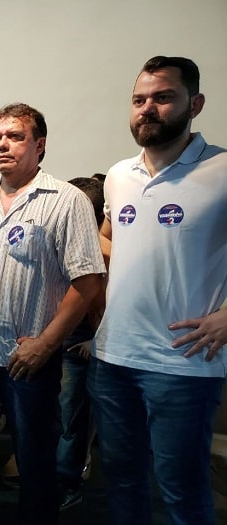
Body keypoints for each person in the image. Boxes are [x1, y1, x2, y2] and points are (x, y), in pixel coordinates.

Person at [0, 103, 105, 524]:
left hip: (27, 356)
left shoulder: (66, 200)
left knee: (34, 458)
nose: (3, 144)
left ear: (39, 145)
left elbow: (88, 280)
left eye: (15, 136)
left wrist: (47, 345)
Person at [89, 55, 227, 525]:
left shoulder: (221, 169)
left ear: (195, 104)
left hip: (183, 364)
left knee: (180, 492)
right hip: (113, 358)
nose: (147, 108)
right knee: (121, 482)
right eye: (139, 100)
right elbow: (108, 237)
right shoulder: (118, 175)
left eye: (163, 97)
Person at [56, 176, 106, 511]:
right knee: (56, 416)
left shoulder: (107, 249)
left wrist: (97, 339)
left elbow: (112, 298)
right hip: (54, 333)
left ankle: (66, 484)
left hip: (82, 339)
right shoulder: (61, 236)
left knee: (70, 418)